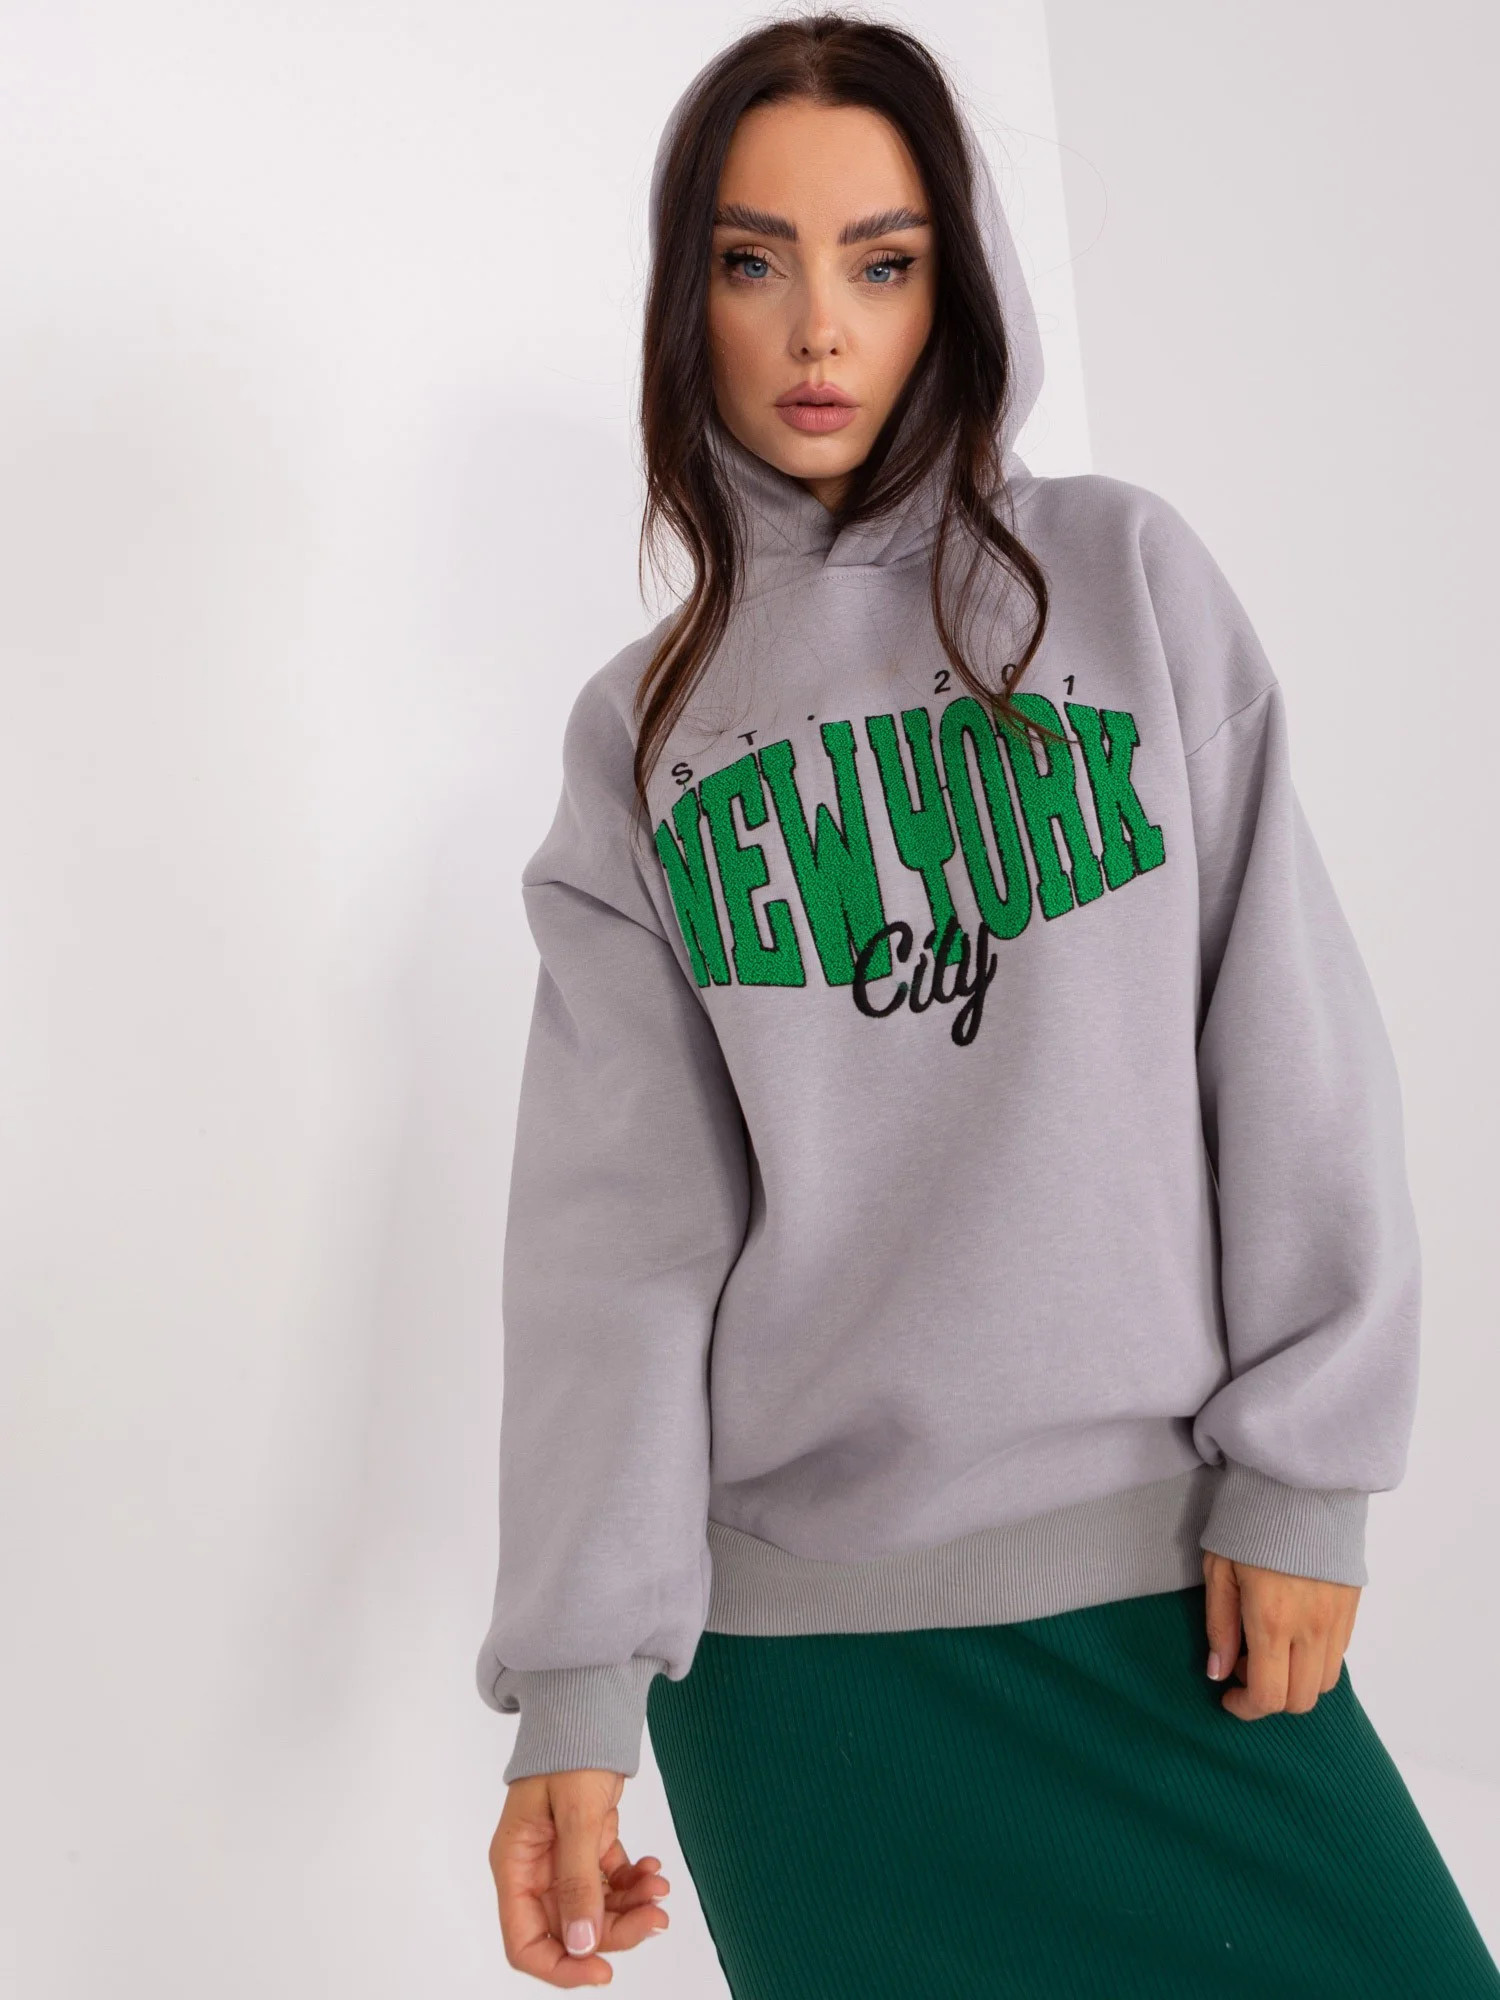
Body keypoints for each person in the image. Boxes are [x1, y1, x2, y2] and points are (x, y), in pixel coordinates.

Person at [477, 13, 1500, 1995]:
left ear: (958, 281)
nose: (817, 329)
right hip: (806, 1686)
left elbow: (1286, 1034)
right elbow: (616, 1244)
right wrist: (578, 1690)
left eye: (882, 261)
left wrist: (1307, 1462)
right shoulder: (644, 739)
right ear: (688, 295)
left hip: (1172, 1592)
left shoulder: (1121, 580)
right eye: (754, 260)